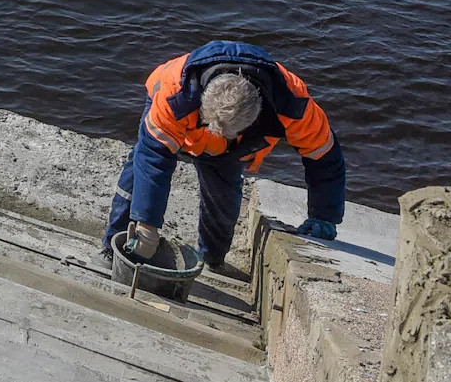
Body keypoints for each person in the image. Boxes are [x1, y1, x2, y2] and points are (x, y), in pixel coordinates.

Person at [102, 40, 346, 271]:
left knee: (223, 202)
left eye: (225, 134)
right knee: (137, 176)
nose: (217, 138)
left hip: (237, 144)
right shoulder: (174, 94)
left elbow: (324, 156)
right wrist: (147, 227)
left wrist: (324, 216)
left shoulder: (293, 105)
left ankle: (211, 260)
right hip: (180, 114)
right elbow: (153, 161)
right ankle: (113, 248)